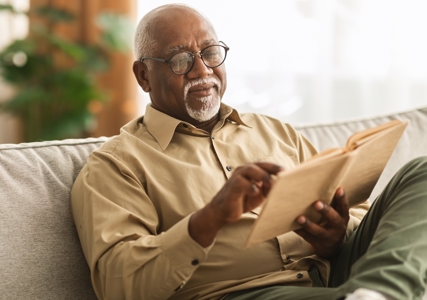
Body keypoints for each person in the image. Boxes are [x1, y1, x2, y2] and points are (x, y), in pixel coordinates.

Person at [70, 4, 427, 300]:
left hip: (336, 270)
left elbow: (355, 215)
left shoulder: (274, 131)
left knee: (421, 171)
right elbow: (118, 284)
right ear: (144, 76)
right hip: (244, 293)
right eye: (180, 60)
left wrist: (337, 237)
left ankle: (380, 291)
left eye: (210, 52)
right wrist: (210, 217)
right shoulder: (116, 165)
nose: (202, 70)